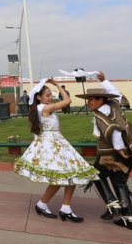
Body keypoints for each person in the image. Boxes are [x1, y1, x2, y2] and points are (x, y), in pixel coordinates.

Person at [14, 79, 98, 222]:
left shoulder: (46, 109)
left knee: (73, 174)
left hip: (58, 144)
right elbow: (67, 101)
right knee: (60, 177)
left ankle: (64, 207)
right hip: (51, 145)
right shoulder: (43, 108)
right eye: (47, 95)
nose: (50, 97)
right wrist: (58, 85)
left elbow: (58, 128)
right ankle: (44, 204)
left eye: (50, 95)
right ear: (39, 97)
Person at [76, 71, 132, 230]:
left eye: (92, 99)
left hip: (114, 154)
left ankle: (113, 205)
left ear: (101, 99)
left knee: (93, 173)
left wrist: (120, 150)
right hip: (131, 149)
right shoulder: (114, 104)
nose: (90, 103)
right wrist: (104, 81)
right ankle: (129, 218)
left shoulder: (101, 115)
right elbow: (117, 94)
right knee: (119, 182)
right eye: (89, 100)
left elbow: (112, 130)